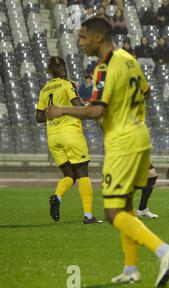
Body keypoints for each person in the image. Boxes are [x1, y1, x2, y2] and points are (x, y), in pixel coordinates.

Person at [47, 16, 169, 287]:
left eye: (83, 37)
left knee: (112, 212)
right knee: (127, 206)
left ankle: (164, 250)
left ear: (98, 37)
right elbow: (147, 90)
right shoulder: (129, 59)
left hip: (122, 143)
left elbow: (98, 109)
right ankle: (131, 268)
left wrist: (63, 110)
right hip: (140, 136)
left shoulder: (105, 67)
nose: (80, 42)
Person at [36, 56, 97, 224]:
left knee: (70, 175)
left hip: (53, 137)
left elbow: (39, 117)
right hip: (70, 133)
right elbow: (78, 107)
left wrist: (54, 111)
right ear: (64, 69)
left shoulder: (44, 90)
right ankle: (88, 216)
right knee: (83, 173)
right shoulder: (67, 84)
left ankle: (57, 196)